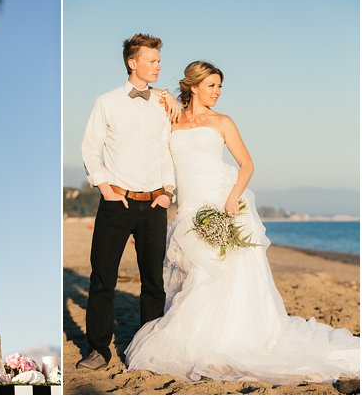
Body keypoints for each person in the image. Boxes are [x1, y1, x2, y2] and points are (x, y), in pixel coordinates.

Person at [125, 61, 360, 383]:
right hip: (189, 209)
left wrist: (233, 197)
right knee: (193, 274)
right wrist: (162, 93)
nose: (217, 92)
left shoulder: (223, 122)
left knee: (222, 274)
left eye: (220, 86)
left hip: (223, 203)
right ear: (192, 86)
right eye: (211, 85)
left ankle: (227, 339)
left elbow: (247, 164)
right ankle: (202, 338)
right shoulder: (173, 120)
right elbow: (138, 94)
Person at [78, 33, 181, 370]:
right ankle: (98, 350)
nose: (158, 66)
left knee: (153, 281)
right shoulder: (106, 102)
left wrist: (168, 190)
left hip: (154, 204)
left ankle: (148, 348)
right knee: (102, 278)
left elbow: (169, 150)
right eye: (152, 60)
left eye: (159, 60)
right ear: (132, 62)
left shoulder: (163, 104)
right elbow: (91, 148)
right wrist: (105, 186)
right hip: (116, 203)